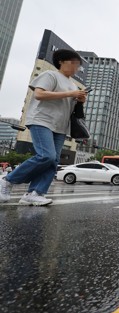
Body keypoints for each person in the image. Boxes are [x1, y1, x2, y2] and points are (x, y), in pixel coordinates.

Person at [0, 49, 87, 206]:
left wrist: (80, 100)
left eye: (78, 65)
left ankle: (35, 193)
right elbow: (39, 94)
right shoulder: (50, 75)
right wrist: (70, 94)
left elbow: (71, 109)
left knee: (53, 161)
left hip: (61, 126)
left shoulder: (73, 84)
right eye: (73, 63)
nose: (76, 67)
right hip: (42, 121)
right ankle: (7, 180)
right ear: (61, 61)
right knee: (46, 156)